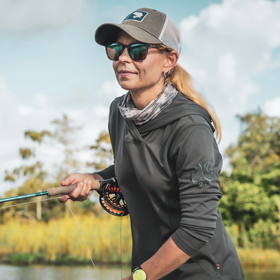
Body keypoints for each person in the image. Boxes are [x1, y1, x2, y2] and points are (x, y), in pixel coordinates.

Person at [58, 8, 244, 280]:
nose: (122, 58)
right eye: (115, 49)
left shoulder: (190, 128)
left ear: (169, 59)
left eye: (137, 50)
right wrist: (93, 179)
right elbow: (139, 168)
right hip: (149, 271)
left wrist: (139, 277)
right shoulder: (118, 111)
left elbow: (198, 228)